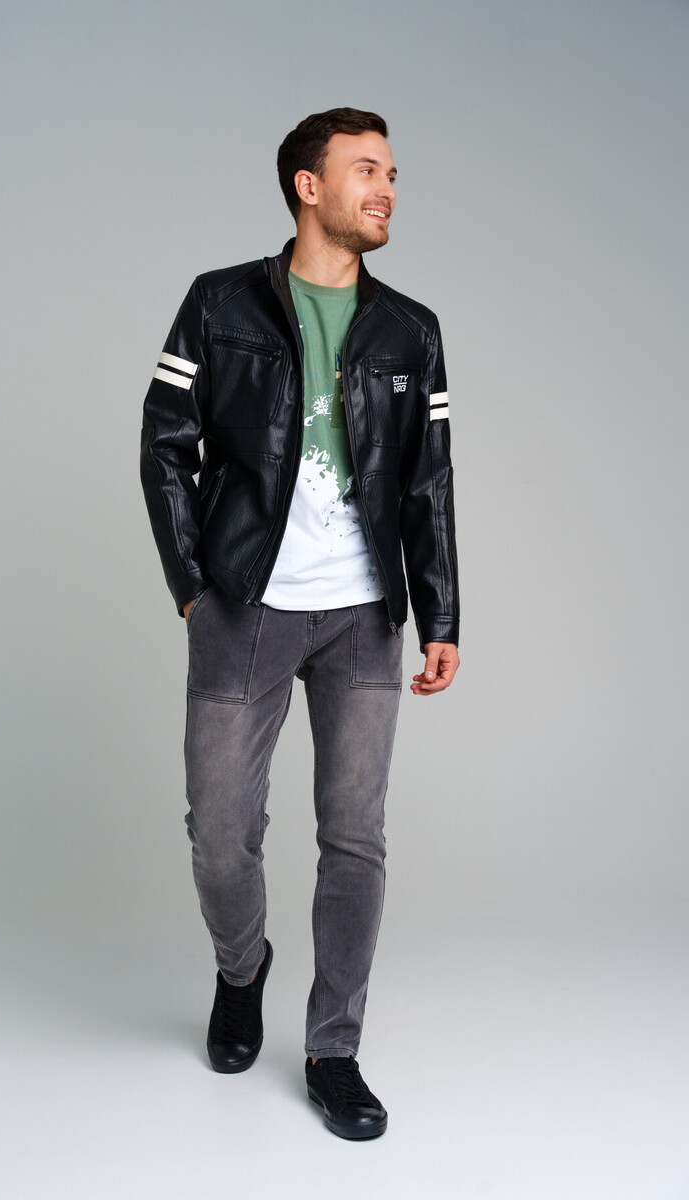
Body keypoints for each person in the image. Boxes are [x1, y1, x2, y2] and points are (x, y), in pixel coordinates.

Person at [140, 107, 459, 1140]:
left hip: (364, 614)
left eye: (393, 173)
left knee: (354, 838)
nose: (387, 189)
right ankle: (242, 969)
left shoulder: (410, 329)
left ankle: (332, 1049)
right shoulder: (219, 303)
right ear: (306, 187)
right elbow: (164, 443)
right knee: (220, 834)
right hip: (245, 603)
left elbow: (428, 480)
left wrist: (441, 611)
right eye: (366, 170)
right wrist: (192, 584)